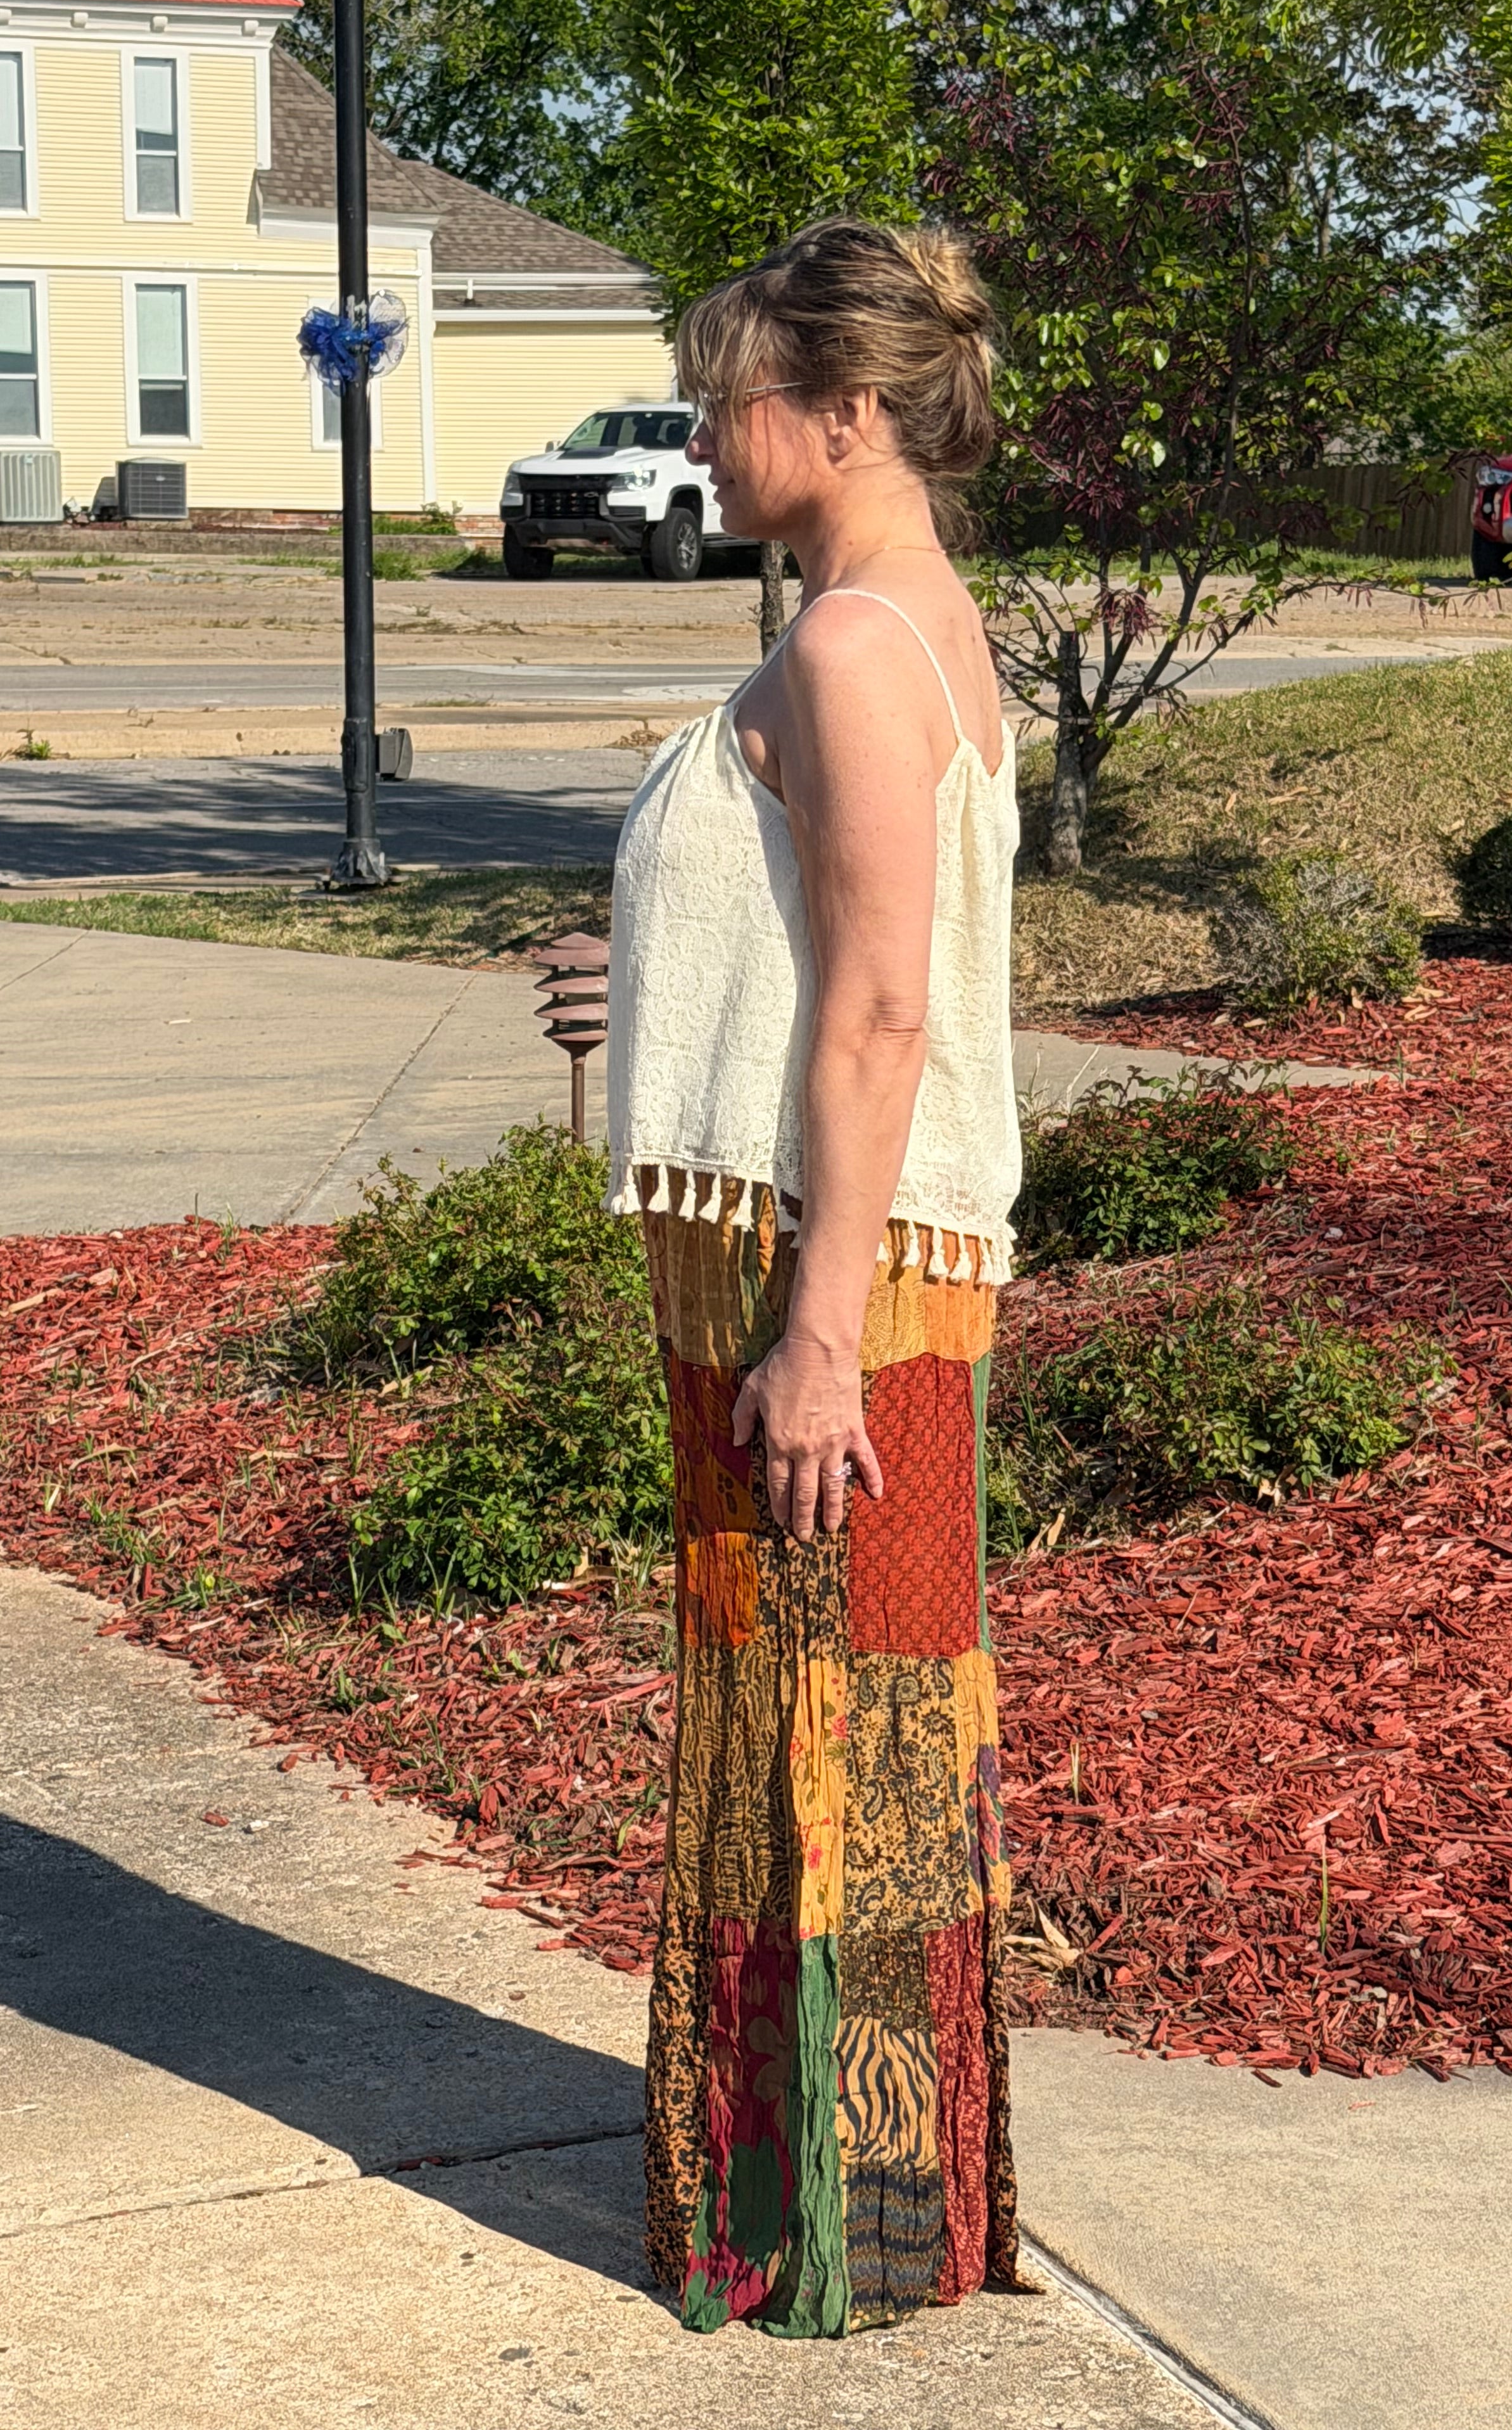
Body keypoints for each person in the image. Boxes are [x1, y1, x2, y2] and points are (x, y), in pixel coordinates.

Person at [606, 215, 1022, 2337]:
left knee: (824, 1741)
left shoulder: (855, 647)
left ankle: (812, 2236)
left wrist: (819, 1340)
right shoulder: (907, 621)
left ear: (844, 414)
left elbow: (880, 1012)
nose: (704, 431)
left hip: (823, 1281)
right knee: (858, 1728)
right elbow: (823, 959)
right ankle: (887, 2215)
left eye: (730, 396)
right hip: (825, 1267)